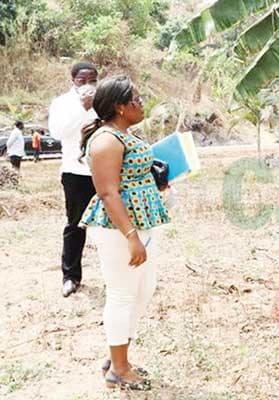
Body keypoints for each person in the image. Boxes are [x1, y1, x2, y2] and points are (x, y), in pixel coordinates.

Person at [79, 75, 170, 390]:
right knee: (122, 294)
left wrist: (156, 182)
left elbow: (133, 174)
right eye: (136, 99)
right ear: (120, 107)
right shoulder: (106, 140)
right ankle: (118, 368)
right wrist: (131, 236)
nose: (141, 103)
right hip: (120, 228)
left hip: (142, 221)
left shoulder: (124, 134)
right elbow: (108, 192)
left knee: (142, 291)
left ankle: (118, 355)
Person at [48, 61, 99, 297]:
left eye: (92, 80)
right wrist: (82, 106)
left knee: (115, 222)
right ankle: (70, 277)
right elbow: (58, 132)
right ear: (73, 80)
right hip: (75, 172)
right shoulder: (62, 103)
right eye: (82, 80)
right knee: (76, 225)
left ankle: (118, 273)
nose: (88, 85)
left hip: (104, 169)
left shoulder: (103, 99)